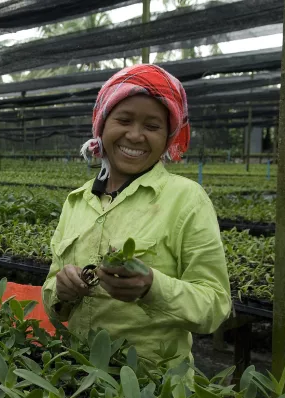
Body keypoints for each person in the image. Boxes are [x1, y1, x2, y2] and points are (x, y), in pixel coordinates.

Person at [42, 64, 231, 370]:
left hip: (153, 393)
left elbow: (215, 305)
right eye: (124, 120)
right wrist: (61, 293)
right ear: (102, 125)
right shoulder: (77, 201)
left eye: (152, 126)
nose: (135, 135)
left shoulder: (186, 199)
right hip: (75, 380)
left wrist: (152, 288)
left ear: (168, 136)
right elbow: (55, 305)